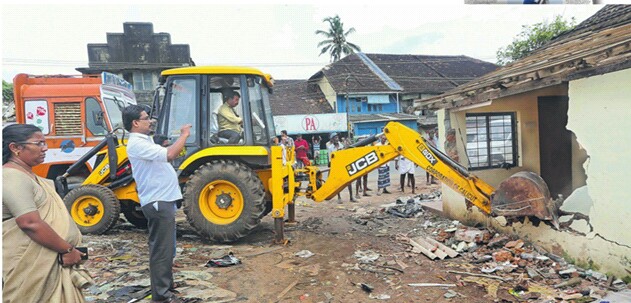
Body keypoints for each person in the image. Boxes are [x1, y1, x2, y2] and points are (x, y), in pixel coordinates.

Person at [3, 124, 93, 302]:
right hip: (30, 263)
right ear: (15, 148)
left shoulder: (30, 176)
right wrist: (67, 249)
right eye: (39, 143)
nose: (45, 148)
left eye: (44, 143)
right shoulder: (11, 176)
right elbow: (30, 223)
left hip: (51, 258)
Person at [123, 105, 191, 303]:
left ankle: (166, 289)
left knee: (167, 249)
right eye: (145, 118)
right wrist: (184, 135)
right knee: (162, 250)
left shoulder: (145, 141)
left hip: (163, 200)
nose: (150, 120)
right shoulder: (136, 143)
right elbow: (169, 155)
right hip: (157, 202)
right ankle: (162, 296)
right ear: (135, 123)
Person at [326, 132, 357, 203]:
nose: (337, 139)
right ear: (332, 139)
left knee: (348, 181)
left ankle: (351, 197)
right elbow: (330, 159)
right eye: (335, 138)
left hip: (343, 165)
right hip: (336, 166)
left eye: (337, 137)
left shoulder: (341, 145)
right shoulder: (330, 148)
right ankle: (339, 197)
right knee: (338, 182)